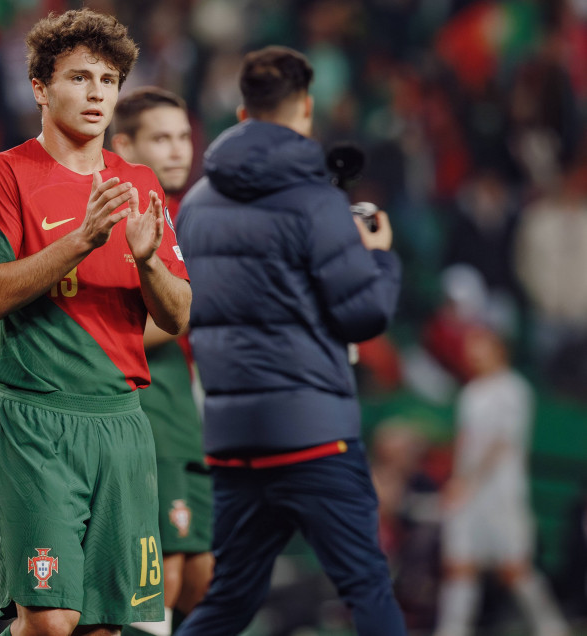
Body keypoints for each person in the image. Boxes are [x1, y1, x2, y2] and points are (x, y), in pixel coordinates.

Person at [0, 8, 191, 636]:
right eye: (80, 77)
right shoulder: (0, 175)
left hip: (120, 424)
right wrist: (82, 240)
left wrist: (147, 263)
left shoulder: (140, 185)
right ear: (40, 86)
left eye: (109, 80)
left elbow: (177, 313)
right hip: (36, 419)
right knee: (51, 619)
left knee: (104, 627)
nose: (96, 94)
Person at [174, 46, 405, 635]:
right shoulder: (316, 201)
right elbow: (363, 317)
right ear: (305, 107)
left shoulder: (195, 204)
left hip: (232, 443)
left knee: (226, 602)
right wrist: (379, 259)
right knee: (367, 589)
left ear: (241, 111)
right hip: (313, 439)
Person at [111, 86, 212, 636]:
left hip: (187, 394)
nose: (178, 151)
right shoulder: (121, 211)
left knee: (201, 569)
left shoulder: (186, 213)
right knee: (163, 567)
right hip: (144, 394)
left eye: (184, 138)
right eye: (161, 139)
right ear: (124, 144)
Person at [435, 325, 569, 636]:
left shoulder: (514, 390)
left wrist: (466, 482)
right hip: (467, 495)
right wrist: (458, 481)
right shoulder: (470, 393)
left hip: (502, 496)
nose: (472, 355)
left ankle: (551, 628)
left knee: (514, 569)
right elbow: (466, 442)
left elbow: (500, 444)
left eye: (479, 347)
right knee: (459, 567)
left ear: (498, 349)